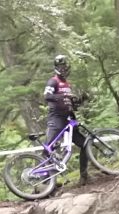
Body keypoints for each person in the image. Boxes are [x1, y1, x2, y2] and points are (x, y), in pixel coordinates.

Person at [44, 54, 89, 185]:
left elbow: (71, 104)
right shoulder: (53, 81)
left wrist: (81, 99)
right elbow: (47, 96)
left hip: (69, 119)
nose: (63, 69)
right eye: (60, 66)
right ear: (56, 67)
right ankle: (44, 182)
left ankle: (84, 176)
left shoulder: (67, 84)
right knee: (48, 147)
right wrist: (63, 95)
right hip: (56, 118)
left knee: (85, 144)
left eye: (64, 66)